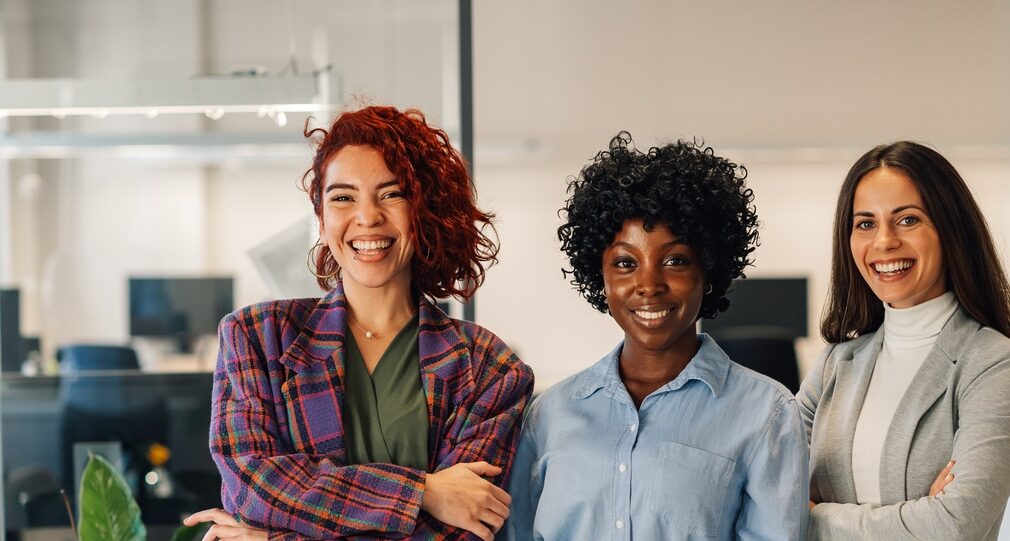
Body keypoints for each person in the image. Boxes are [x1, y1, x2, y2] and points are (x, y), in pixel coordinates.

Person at [183, 106, 534, 541]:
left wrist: (273, 538)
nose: (367, 216)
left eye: (391, 194)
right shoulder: (258, 337)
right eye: (343, 197)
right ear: (321, 217)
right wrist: (421, 491)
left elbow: (460, 532)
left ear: (424, 211)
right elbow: (253, 490)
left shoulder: (491, 369)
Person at [500, 133, 809, 540]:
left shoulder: (766, 415)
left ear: (709, 271)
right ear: (601, 277)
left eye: (675, 260)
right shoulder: (550, 416)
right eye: (626, 262)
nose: (649, 284)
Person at [800, 141, 1010, 540]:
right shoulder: (835, 366)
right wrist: (918, 516)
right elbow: (765, 497)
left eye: (908, 220)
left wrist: (815, 516)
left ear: (950, 229)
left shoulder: (992, 362)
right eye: (865, 223)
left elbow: (955, 525)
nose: (884, 242)